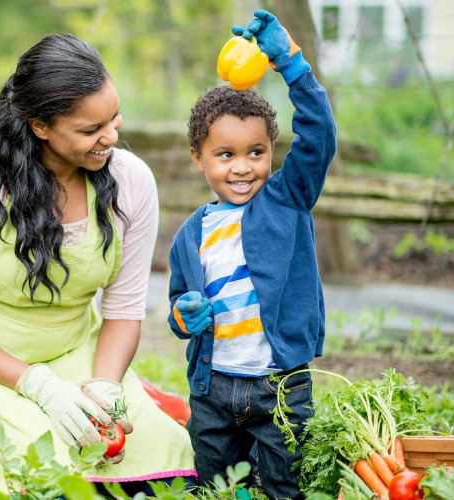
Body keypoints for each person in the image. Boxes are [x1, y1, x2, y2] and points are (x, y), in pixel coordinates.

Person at [0, 33, 195, 493]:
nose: (112, 137)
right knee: (48, 476)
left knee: (165, 462)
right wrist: (39, 386)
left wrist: (106, 385)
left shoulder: (131, 181)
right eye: (90, 130)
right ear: (40, 126)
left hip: (79, 355)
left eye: (114, 117)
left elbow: (123, 309)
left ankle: (149, 401)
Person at [167, 10, 337, 500]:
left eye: (256, 152)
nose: (243, 168)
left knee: (287, 484)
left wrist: (289, 61)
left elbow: (319, 133)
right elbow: (180, 308)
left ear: (271, 151)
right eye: (226, 155)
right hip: (213, 389)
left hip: (280, 387)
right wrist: (185, 315)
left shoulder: (287, 199)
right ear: (198, 158)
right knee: (218, 484)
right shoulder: (191, 234)